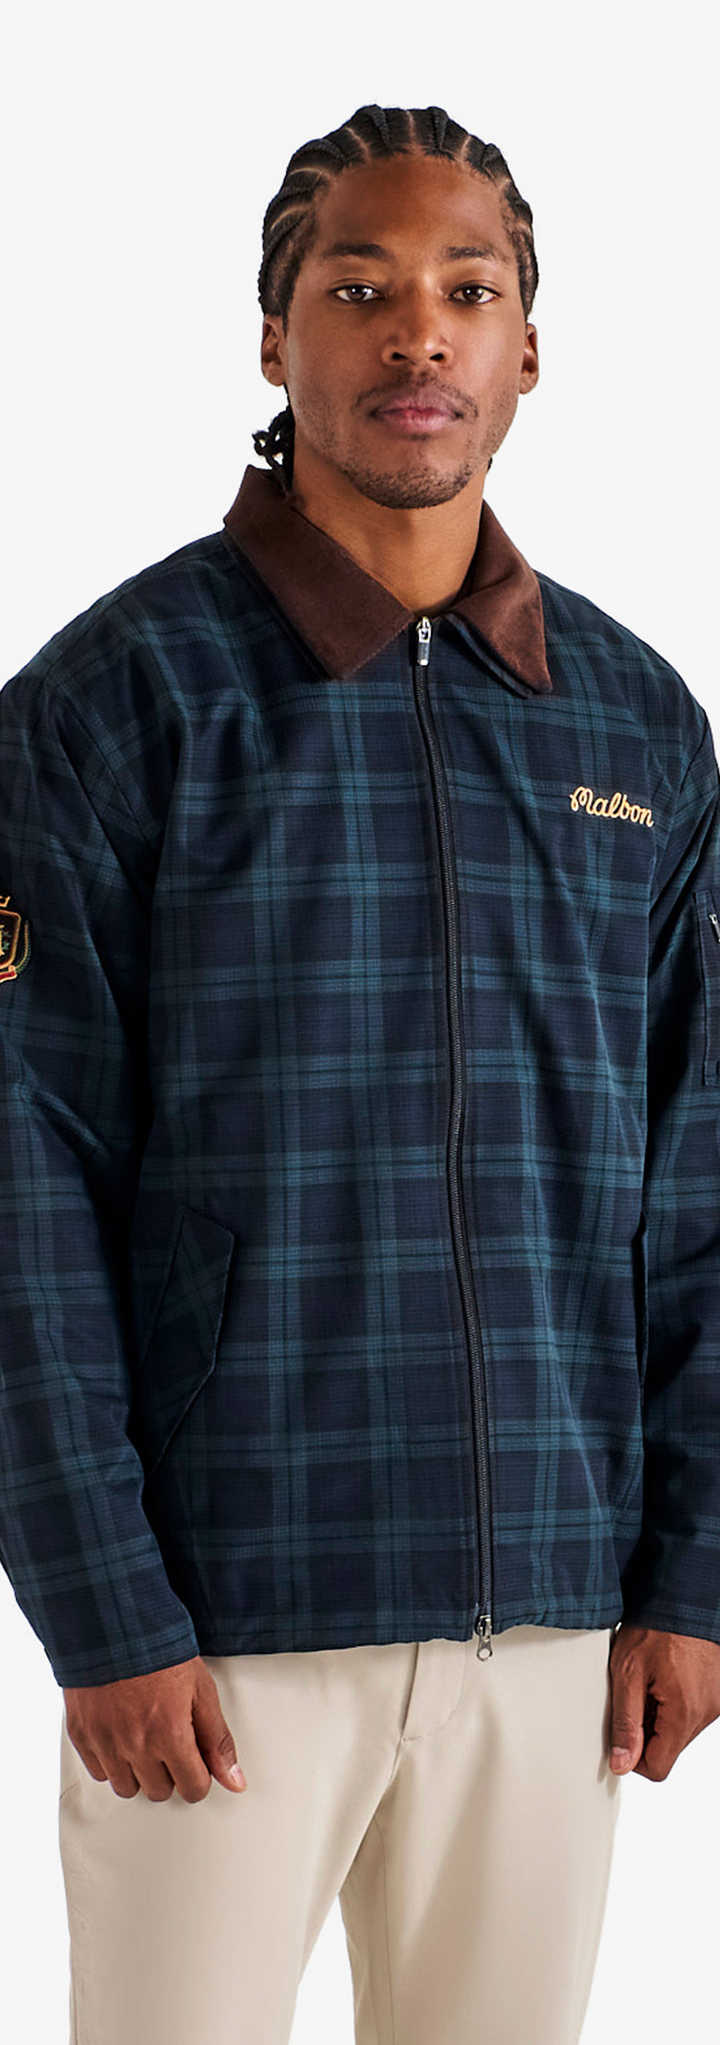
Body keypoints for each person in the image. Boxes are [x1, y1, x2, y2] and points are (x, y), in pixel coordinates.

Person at [1, 99, 719, 2045]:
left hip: (553, 1625)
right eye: (360, 288)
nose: (419, 334)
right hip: (221, 1628)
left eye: (467, 292)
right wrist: (103, 1605)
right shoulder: (115, 705)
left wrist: (694, 1568)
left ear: (528, 349)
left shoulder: (637, 727)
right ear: (275, 337)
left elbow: (701, 1172)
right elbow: (21, 1175)